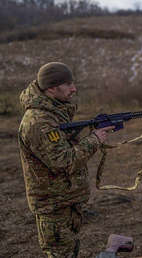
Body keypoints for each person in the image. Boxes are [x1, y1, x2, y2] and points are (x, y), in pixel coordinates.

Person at [18, 62, 114, 257]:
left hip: (65, 201)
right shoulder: (39, 121)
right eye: (68, 84)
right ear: (52, 88)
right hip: (54, 206)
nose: (74, 89)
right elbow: (65, 161)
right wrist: (95, 139)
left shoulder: (55, 113)